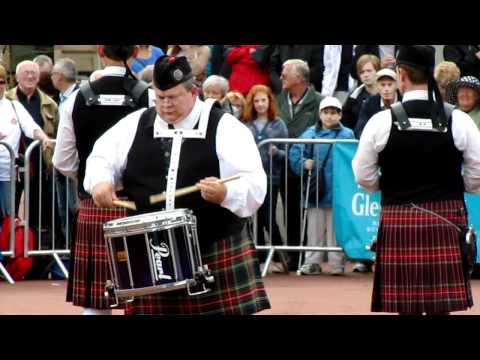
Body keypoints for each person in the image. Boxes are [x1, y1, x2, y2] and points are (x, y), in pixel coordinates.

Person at [83, 55, 271, 315]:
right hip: (150, 251)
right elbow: (101, 157)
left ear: (193, 92)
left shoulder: (225, 127)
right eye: (159, 98)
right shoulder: (136, 124)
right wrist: (100, 182)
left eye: (172, 97)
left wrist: (226, 192)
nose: (165, 105)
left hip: (211, 247)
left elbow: (253, 182)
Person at [352, 45, 480, 315]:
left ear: (401, 74)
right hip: (447, 218)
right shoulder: (458, 120)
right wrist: (460, 188)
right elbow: (477, 173)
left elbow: (363, 175)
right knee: (440, 307)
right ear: (430, 73)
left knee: (405, 307)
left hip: (399, 219)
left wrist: (386, 187)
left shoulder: (381, 121)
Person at [52, 45, 153, 315]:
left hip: (95, 205)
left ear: (99, 51)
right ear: (134, 52)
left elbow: (62, 160)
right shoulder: (151, 97)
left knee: (97, 303)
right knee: (145, 297)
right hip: (139, 204)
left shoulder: (76, 99)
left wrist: (89, 178)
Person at [290, 96, 354, 275]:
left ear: (340, 115)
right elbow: (296, 153)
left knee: (336, 229)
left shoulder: (347, 134)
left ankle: (337, 263)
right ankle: (312, 262)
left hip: (338, 190)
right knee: (314, 229)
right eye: (326, 112)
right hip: (316, 189)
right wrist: (303, 163)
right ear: (320, 114)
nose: (329, 116)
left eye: (333, 113)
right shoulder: (310, 133)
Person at [276, 59, 323, 271]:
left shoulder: (320, 102)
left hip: (311, 169)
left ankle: (310, 258)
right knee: (290, 214)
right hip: (283, 168)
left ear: (299, 78)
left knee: (310, 213)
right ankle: (294, 256)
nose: (280, 78)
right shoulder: (277, 101)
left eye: (285, 75)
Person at [242, 84, 288, 273]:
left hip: (271, 175)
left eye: (263, 100)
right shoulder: (246, 124)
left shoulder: (278, 123)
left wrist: (277, 153)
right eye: (256, 101)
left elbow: (288, 151)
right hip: (251, 176)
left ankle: (280, 255)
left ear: (270, 102)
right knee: (256, 218)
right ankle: (259, 257)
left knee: (269, 217)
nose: (260, 104)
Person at [0, 64, 52, 221]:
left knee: (8, 218)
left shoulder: (13, 105)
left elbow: (31, 127)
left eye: (1, 81)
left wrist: (44, 138)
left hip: (7, 172)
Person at [354, 68, 401, 138]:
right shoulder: (369, 103)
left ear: (397, 86)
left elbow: (407, 129)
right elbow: (360, 129)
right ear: (377, 86)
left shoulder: (404, 101)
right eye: (382, 85)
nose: (386, 89)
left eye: (390, 84)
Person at [342, 54, 381, 131]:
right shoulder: (353, 98)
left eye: (369, 71)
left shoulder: (388, 94)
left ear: (378, 71)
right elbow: (346, 123)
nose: (365, 75)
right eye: (362, 72)